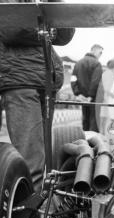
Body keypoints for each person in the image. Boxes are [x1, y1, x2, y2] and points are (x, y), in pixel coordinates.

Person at [0, 0, 75, 191]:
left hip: (44, 79)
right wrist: (47, 30)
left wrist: (54, 5)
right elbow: (10, 28)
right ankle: (29, 214)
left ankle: (37, 205)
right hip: (20, 80)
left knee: (42, 157)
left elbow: (66, 33)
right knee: (30, 159)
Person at [72, 44, 103, 132]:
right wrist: (91, 96)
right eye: (100, 52)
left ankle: (85, 141)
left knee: (85, 120)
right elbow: (96, 81)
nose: (101, 55)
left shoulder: (78, 63)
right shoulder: (96, 64)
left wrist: (78, 94)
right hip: (93, 99)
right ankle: (92, 144)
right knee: (94, 121)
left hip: (82, 98)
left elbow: (73, 79)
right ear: (93, 50)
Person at [97, 59, 114, 135]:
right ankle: (109, 138)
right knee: (111, 120)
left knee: (104, 121)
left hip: (105, 99)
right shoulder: (110, 75)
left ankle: (103, 137)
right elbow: (107, 89)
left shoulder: (105, 74)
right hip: (110, 100)